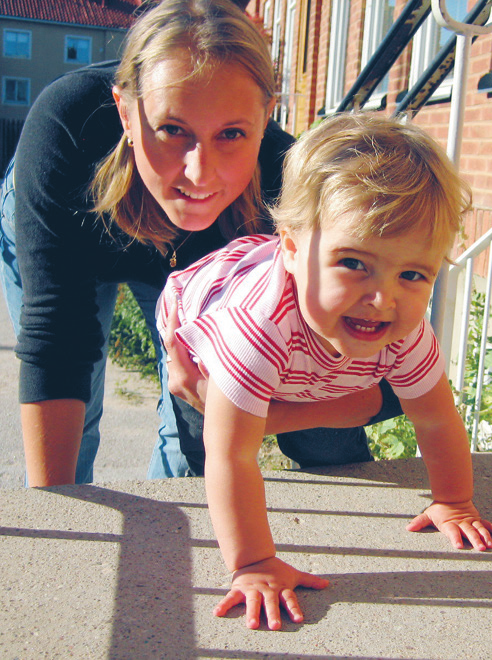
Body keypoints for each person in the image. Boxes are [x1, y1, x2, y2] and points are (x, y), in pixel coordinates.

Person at [0, 0, 398, 487]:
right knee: (76, 410)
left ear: (265, 115)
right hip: (73, 222)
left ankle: (169, 533)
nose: (199, 172)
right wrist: (58, 518)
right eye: (172, 130)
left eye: (232, 133)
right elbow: (58, 343)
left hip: (206, 263)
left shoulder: (285, 185)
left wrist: (245, 411)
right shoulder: (66, 126)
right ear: (126, 112)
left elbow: (384, 380)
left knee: (194, 408)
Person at [156, 113, 492, 630]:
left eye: (412, 273)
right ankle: (168, 502)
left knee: (331, 440)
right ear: (292, 248)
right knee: (199, 444)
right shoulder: (255, 329)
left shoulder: (405, 329)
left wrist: (453, 501)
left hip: (315, 357)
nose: (382, 299)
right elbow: (233, 454)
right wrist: (252, 563)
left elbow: (434, 418)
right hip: (200, 319)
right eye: (354, 263)